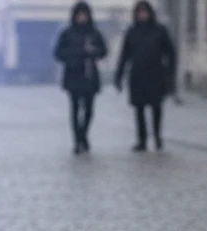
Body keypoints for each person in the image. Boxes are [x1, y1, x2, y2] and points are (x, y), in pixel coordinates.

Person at [115, 1, 176, 151]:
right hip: (138, 75)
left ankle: (157, 136)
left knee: (156, 107)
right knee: (139, 109)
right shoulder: (132, 32)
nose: (142, 15)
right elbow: (124, 56)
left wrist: (170, 72)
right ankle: (141, 140)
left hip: (156, 74)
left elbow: (170, 52)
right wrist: (119, 76)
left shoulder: (160, 30)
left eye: (145, 12)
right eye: (139, 12)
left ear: (150, 13)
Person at [54, 2, 107, 155]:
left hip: (89, 75)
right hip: (73, 75)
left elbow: (103, 51)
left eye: (84, 14)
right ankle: (77, 140)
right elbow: (58, 53)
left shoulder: (94, 33)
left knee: (89, 109)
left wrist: (93, 52)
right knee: (75, 109)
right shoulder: (67, 33)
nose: (82, 17)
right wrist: (73, 55)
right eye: (79, 14)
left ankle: (83, 135)